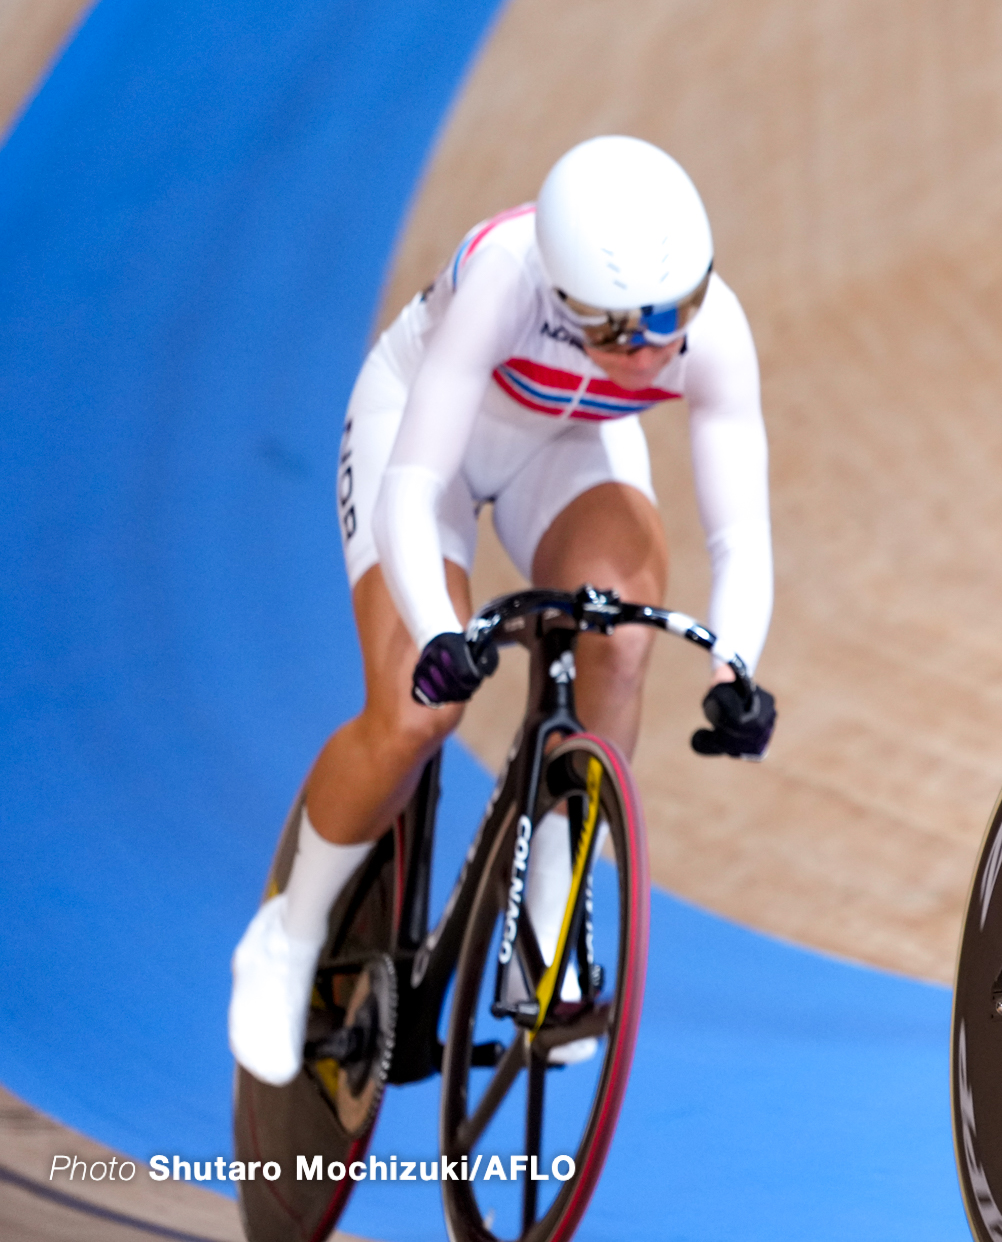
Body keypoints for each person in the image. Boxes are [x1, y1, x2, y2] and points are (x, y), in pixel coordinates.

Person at [229, 135, 777, 1086]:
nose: (655, 346)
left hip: (565, 446)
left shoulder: (712, 327)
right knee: (417, 710)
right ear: (565, 304)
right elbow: (413, 485)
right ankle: (289, 930)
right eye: (623, 330)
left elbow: (742, 541)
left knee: (623, 629)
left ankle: (549, 907)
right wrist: (441, 635)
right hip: (422, 434)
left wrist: (736, 667)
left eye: (672, 315)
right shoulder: (503, 282)